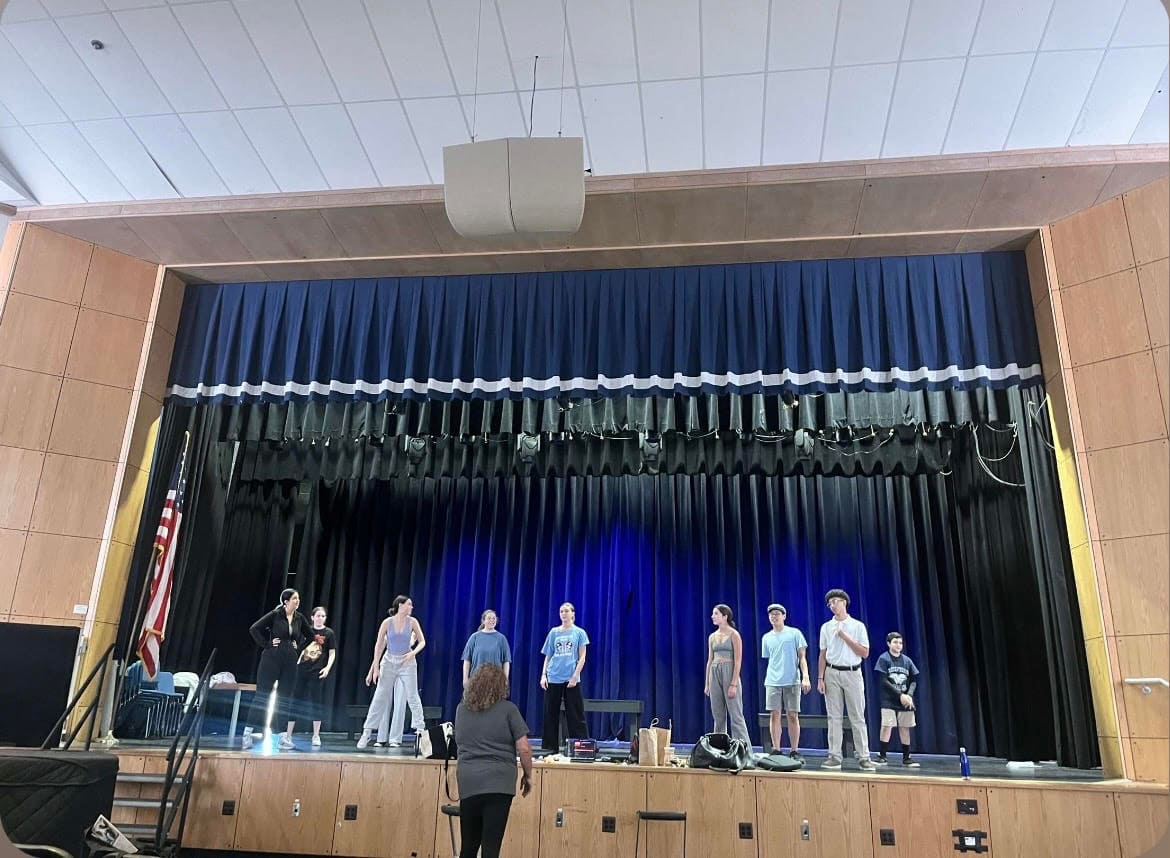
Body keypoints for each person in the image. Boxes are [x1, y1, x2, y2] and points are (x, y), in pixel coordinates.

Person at [454, 663, 533, 858]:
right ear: (501, 685)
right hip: (500, 784)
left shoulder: (461, 710)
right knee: (491, 848)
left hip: (468, 782)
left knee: (468, 846)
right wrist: (528, 775)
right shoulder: (509, 709)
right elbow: (524, 748)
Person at [241, 588, 311, 750]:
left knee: (284, 699)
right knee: (262, 697)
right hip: (271, 659)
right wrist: (266, 644)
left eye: (298, 598)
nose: (297, 601)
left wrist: (298, 648)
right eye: (294, 598)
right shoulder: (275, 614)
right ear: (286, 601)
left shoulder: (299, 618)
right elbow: (254, 629)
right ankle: (247, 734)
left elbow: (311, 636)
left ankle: (282, 738)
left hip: (290, 661)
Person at [816, 589, 876, 771]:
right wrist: (820, 677)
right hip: (832, 673)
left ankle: (864, 756)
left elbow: (865, 653)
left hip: (852, 673)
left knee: (857, 716)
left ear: (844, 602)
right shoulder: (826, 627)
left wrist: (845, 637)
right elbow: (823, 654)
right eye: (830, 603)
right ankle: (834, 756)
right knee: (833, 717)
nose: (832, 605)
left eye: (835, 601)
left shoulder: (857, 626)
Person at [356, 595, 427, 749]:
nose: (411, 607)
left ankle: (420, 731)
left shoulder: (413, 622)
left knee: (412, 695)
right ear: (400, 605)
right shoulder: (387, 623)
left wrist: (412, 653)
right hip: (389, 661)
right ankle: (367, 732)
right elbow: (379, 645)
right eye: (409, 604)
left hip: (407, 662)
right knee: (380, 696)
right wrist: (375, 668)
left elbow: (422, 641)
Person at [761, 603, 811, 759]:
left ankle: (794, 750)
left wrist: (805, 676)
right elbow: (769, 658)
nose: (774, 616)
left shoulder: (794, 633)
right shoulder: (766, 637)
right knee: (774, 714)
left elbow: (802, 657)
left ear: (784, 616)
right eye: (771, 614)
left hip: (792, 680)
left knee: (792, 715)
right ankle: (776, 749)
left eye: (777, 613)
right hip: (772, 681)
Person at [539, 602, 589, 751]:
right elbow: (548, 655)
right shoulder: (554, 632)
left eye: (566, 611)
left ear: (573, 614)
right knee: (550, 714)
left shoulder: (579, 632)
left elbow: (582, 657)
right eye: (561, 611)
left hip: (570, 679)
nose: (564, 614)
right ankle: (549, 748)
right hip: (553, 676)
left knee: (575, 714)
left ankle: (581, 748)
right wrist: (544, 675)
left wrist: (575, 676)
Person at [285, 605, 337, 748]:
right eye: (318, 615)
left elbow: (332, 652)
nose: (320, 618)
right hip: (301, 671)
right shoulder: (306, 631)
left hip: (317, 672)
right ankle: (288, 735)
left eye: (323, 616)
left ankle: (316, 735)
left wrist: (327, 668)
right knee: (295, 702)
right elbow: (299, 650)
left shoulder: (329, 633)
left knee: (316, 704)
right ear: (312, 617)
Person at [704, 604, 751, 745]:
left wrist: (733, 683)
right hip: (714, 671)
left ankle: (743, 749)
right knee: (718, 715)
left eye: (716, 613)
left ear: (725, 616)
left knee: (736, 715)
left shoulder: (734, 635)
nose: (713, 616)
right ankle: (719, 748)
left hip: (729, 671)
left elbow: (738, 660)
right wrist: (707, 683)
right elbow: (710, 660)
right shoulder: (712, 637)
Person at [874, 631, 921, 767]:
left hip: (905, 699)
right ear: (889, 644)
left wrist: (909, 695)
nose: (898, 645)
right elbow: (883, 681)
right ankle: (882, 756)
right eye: (895, 642)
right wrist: (900, 695)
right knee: (887, 726)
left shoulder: (907, 661)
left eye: (900, 643)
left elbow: (913, 680)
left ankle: (907, 757)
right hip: (889, 699)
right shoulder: (884, 659)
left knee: (905, 727)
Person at [462, 609, 512, 688]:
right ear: (483, 620)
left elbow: (506, 661)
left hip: (495, 681)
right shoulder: (474, 637)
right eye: (489, 618)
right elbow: (467, 660)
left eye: (494, 618)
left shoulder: (501, 639)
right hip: (476, 681)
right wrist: (465, 679)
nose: (492, 620)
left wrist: (505, 680)